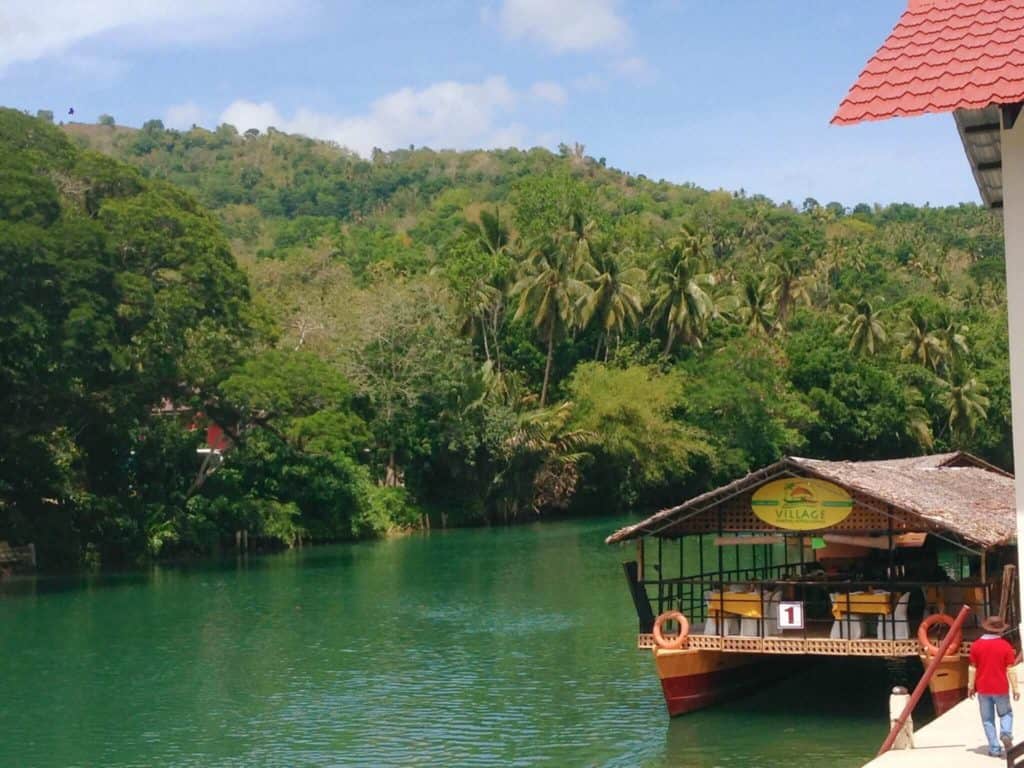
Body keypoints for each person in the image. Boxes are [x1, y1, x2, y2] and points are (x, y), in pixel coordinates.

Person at [969, 615, 1020, 758]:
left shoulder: (976, 645)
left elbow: (972, 668)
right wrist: (1016, 689)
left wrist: (970, 686)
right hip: (1001, 688)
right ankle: (1005, 733)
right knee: (1006, 713)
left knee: (987, 719)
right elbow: (1011, 669)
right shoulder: (1005, 646)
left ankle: (994, 749)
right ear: (1000, 631)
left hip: (983, 689)